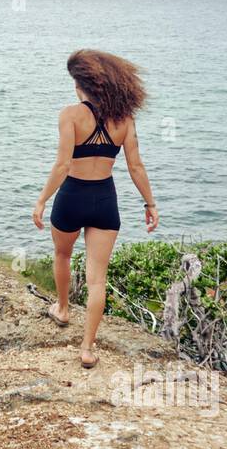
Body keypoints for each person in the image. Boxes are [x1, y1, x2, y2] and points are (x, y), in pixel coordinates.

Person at [32, 50, 158, 368]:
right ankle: (87, 348)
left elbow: (62, 165)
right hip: (104, 199)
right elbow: (136, 166)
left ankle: (62, 308)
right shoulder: (124, 119)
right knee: (97, 281)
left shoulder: (70, 115)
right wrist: (150, 203)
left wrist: (42, 199)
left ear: (80, 85)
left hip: (72, 196)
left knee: (62, 254)